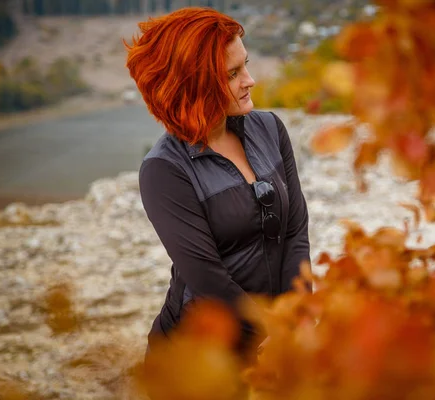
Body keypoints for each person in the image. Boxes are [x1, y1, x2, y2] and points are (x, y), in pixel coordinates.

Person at [124, 7, 311, 360]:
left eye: (246, 65)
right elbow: (206, 277)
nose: (250, 80)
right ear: (195, 85)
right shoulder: (163, 170)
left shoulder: (270, 129)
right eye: (233, 73)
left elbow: (295, 230)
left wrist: (297, 311)